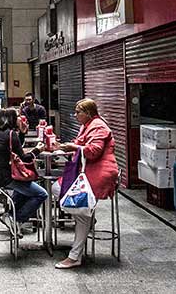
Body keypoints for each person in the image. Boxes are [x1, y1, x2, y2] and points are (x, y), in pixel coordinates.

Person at [52, 98, 119, 269]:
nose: (75, 115)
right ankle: (86, 219)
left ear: (87, 113)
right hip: (88, 170)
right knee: (57, 188)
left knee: (79, 209)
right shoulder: (87, 125)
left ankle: (75, 256)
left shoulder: (98, 126)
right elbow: (80, 143)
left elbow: (94, 151)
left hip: (100, 172)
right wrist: (66, 146)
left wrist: (73, 148)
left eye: (78, 112)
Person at [0, 108, 48, 235]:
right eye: (18, 116)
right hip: (7, 177)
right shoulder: (10, 134)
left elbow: (14, 148)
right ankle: (15, 218)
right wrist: (37, 150)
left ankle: (12, 216)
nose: (21, 118)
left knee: (27, 188)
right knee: (42, 194)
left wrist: (22, 133)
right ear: (12, 119)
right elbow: (24, 158)